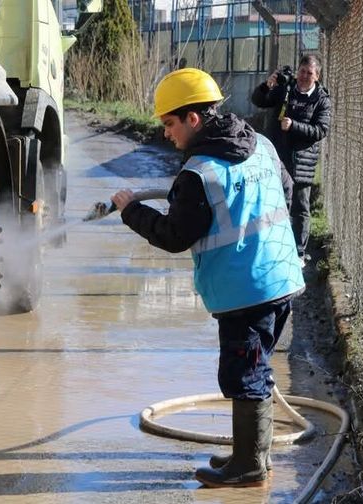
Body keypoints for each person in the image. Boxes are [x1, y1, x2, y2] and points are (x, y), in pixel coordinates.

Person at [111, 68, 305, 488]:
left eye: (169, 123)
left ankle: (249, 467)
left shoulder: (198, 173)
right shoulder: (262, 144)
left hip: (243, 291)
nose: (166, 133)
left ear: (193, 119)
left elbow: (174, 236)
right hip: (281, 277)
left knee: (243, 376)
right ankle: (251, 456)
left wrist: (131, 211)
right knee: (256, 368)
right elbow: (286, 192)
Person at [251, 54, 332, 266]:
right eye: (302, 71)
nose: (304, 76)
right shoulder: (286, 90)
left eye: (310, 73)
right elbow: (259, 101)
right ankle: (272, 247)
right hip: (277, 156)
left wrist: (294, 125)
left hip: (302, 162)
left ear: (317, 76)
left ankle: (298, 252)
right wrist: (266, 86)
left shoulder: (321, 100)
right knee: (272, 203)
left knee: (300, 207)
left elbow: (321, 130)